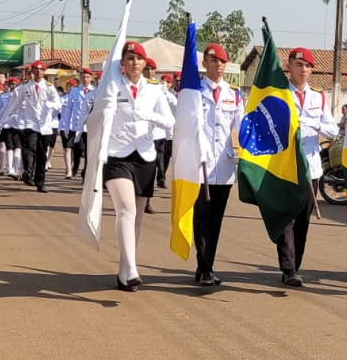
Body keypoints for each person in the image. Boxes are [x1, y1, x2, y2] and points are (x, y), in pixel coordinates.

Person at [98, 40, 174, 290]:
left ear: (144, 64)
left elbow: (170, 123)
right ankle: (131, 266)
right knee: (125, 210)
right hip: (116, 155)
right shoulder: (110, 86)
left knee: (137, 216)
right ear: (122, 63)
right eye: (129, 59)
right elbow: (96, 115)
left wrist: (148, 116)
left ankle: (123, 270)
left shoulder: (154, 90)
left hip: (144, 156)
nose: (134, 63)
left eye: (138, 59)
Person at [276, 47, 338, 288]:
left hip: (310, 168)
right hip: (285, 166)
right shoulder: (280, 95)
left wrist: (306, 123)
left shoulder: (318, 97)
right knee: (286, 220)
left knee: (303, 221)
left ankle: (295, 265)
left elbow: (332, 129)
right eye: (298, 65)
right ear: (289, 67)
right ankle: (288, 268)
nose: (303, 70)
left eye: (307, 66)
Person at [192, 42, 244, 286]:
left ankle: (207, 266)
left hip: (223, 167)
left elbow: (242, 128)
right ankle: (204, 268)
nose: (219, 65)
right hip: (199, 165)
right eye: (214, 61)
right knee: (201, 218)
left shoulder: (233, 94)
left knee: (216, 221)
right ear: (205, 64)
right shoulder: (193, 91)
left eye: (222, 61)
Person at [20, 61, 60, 192]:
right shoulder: (25, 87)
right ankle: (28, 172)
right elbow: (15, 104)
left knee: (42, 155)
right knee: (29, 149)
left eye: (41, 70)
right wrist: (3, 120)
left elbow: (58, 104)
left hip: (45, 125)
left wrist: (50, 104)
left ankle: (40, 182)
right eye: (35, 70)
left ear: (44, 72)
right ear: (32, 71)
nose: (38, 72)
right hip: (30, 123)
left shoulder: (49, 87)